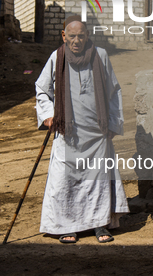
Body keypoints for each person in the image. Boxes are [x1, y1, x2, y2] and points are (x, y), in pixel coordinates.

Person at [35, 16, 129, 243]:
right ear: (63, 36)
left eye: (81, 35)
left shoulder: (101, 56)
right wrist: (48, 115)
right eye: (72, 36)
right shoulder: (57, 57)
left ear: (87, 36)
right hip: (67, 133)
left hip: (97, 133)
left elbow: (113, 91)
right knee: (65, 180)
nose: (76, 40)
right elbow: (42, 89)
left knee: (97, 180)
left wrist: (114, 123)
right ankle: (67, 226)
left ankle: (100, 224)